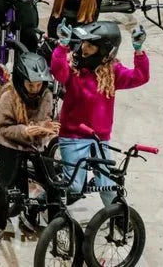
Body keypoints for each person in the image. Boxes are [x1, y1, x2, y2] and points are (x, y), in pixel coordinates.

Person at [52, 21, 149, 208]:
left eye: (90, 45)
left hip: (99, 138)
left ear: (105, 51)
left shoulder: (113, 72)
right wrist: (62, 46)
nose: (83, 48)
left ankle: (118, 216)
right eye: (83, 43)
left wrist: (139, 50)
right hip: (73, 135)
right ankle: (43, 204)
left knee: (107, 184)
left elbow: (140, 76)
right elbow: (58, 72)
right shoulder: (74, 68)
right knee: (74, 186)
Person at [0, 51, 58, 248]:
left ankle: (57, 226)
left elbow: (47, 120)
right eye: (30, 84)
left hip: (36, 145)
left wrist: (46, 128)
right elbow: (4, 128)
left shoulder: (47, 95)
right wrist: (26, 130)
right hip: (11, 144)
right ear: (20, 80)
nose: (35, 89)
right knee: (3, 188)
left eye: (38, 84)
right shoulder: (8, 97)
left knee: (54, 184)